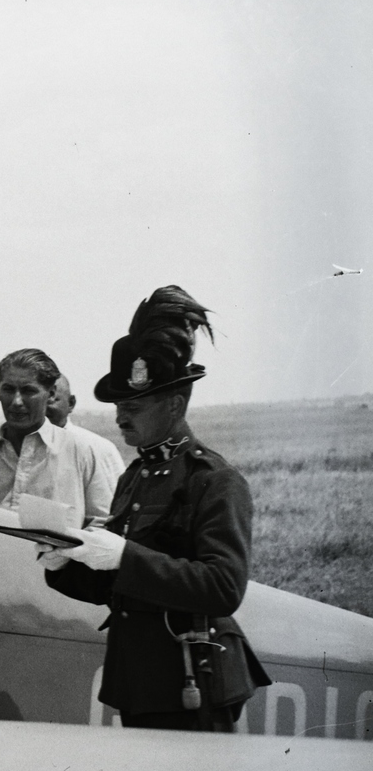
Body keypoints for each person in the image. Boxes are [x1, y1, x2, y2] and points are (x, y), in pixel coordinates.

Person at [37, 286, 269, 731]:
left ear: (175, 404)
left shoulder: (215, 480)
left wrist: (125, 555)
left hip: (193, 678)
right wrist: (64, 561)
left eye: (134, 405)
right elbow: (120, 589)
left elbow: (223, 587)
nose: (122, 416)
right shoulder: (135, 476)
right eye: (119, 405)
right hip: (142, 681)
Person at [0, 348, 116, 527]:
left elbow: (102, 525)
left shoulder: (81, 450)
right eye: (8, 389)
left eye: (28, 391)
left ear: (51, 394)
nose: (16, 401)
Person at [46, 373, 127, 485]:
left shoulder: (96, 449)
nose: (41, 408)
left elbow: (114, 499)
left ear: (71, 403)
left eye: (50, 400)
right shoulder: (16, 445)